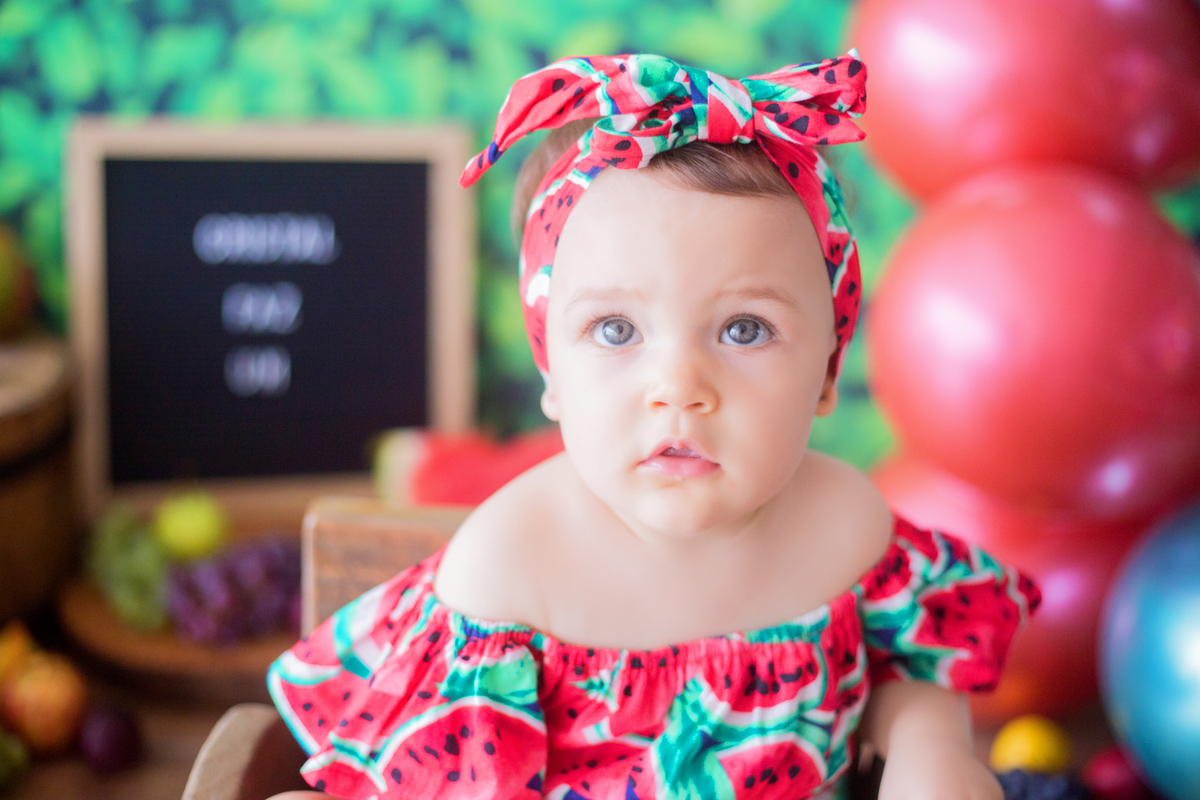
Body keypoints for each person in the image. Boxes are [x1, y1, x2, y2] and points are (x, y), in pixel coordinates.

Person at [266, 52, 1040, 800]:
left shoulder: (848, 528)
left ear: (829, 373)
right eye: (614, 330)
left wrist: (928, 747)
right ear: (551, 374)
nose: (678, 389)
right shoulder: (509, 578)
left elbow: (907, 669)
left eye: (743, 330)